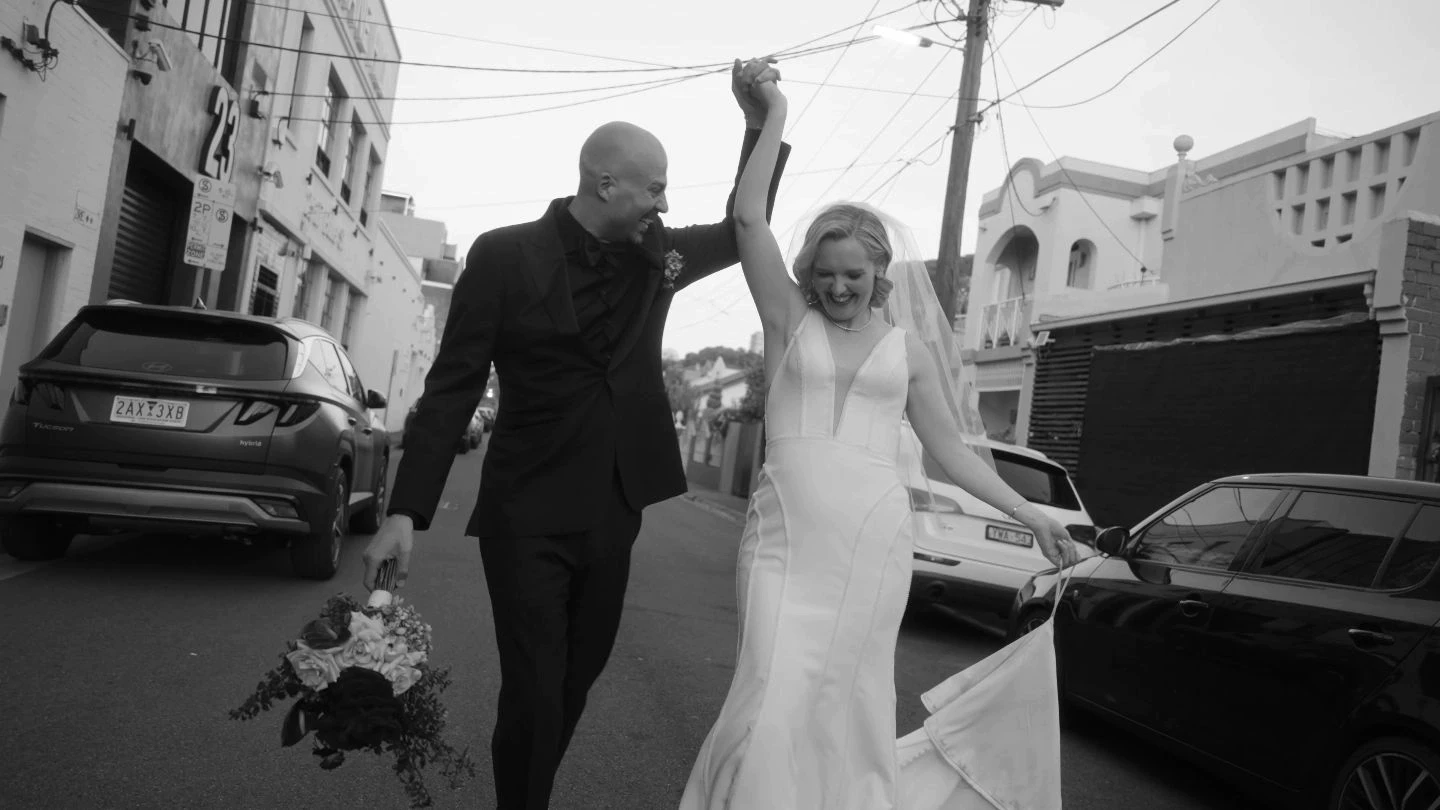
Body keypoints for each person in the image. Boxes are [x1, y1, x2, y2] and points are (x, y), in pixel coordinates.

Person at [361, 59, 792, 810]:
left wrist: (756, 122)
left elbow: (740, 224)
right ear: (606, 186)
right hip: (525, 509)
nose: (664, 200)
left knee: (574, 679)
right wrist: (404, 511)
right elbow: (454, 386)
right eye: (654, 188)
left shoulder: (661, 254)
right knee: (534, 684)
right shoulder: (502, 257)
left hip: (612, 506)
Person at [678, 77, 1080, 809]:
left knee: (846, 699)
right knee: (768, 690)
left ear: (879, 273)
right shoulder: (785, 319)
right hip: (784, 540)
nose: (837, 288)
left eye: (853, 275)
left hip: (873, 545)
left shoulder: (910, 353)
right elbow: (745, 217)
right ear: (807, 274)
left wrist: (1036, 517)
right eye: (824, 274)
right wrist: (773, 117)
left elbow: (952, 456)